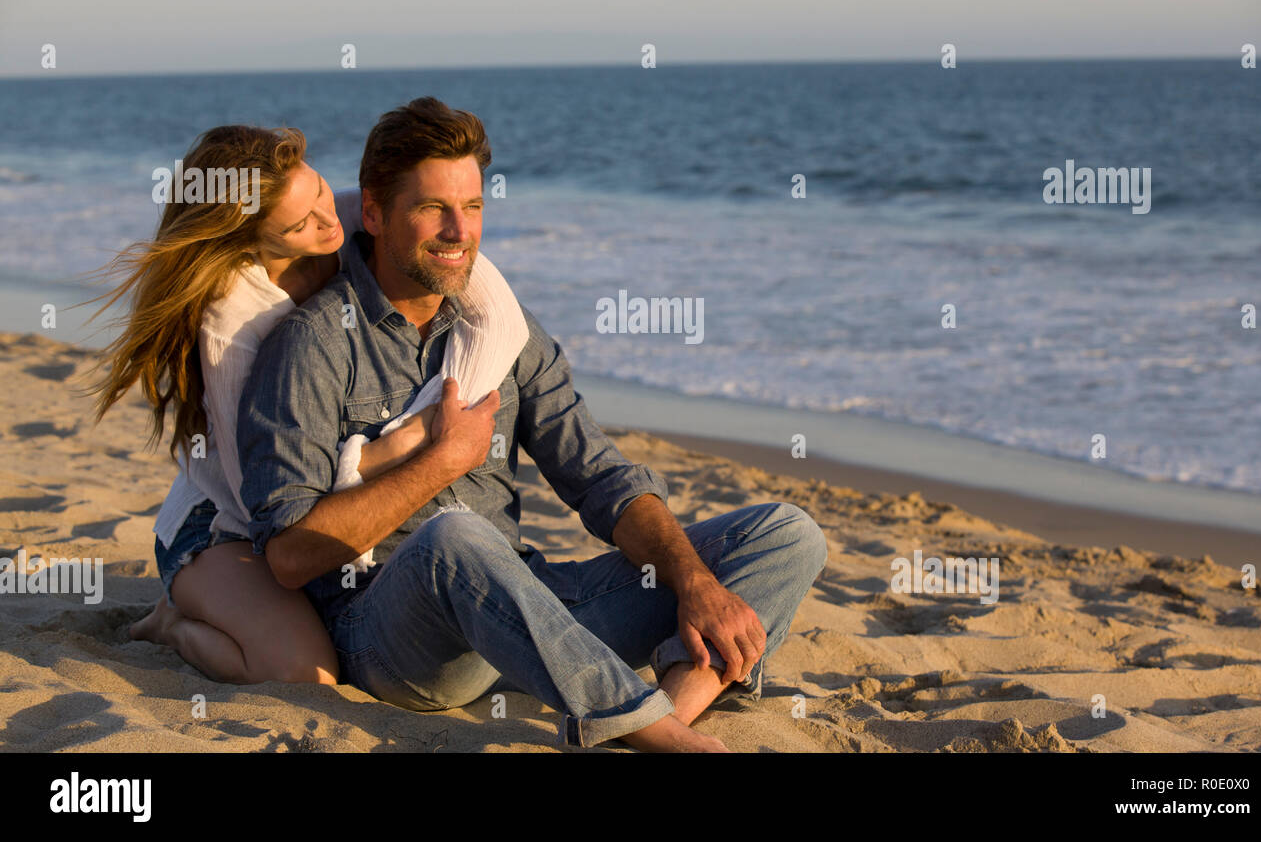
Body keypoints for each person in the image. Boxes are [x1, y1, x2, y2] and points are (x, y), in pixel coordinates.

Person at [237, 96, 829, 752]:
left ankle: (669, 716)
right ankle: (657, 733)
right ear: (373, 212)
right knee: (453, 537)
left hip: (532, 613)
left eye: (473, 208)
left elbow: (601, 479)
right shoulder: (313, 343)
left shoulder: (499, 330)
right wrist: (439, 460)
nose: (460, 232)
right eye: (433, 208)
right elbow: (290, 557)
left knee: (786, 535)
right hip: (396, 638)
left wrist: (692, 582)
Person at [82, 124, 528, 684]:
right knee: (305, 675)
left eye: (317, 189)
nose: (326, 221)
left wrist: (442, 413)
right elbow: (261, 500)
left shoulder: (348, 215)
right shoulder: (232, 322)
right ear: (247, 239)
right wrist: (412, 442)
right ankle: (173, 624)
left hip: (303, 516)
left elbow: (502, 320)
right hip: (222, 524)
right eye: (298, 225)